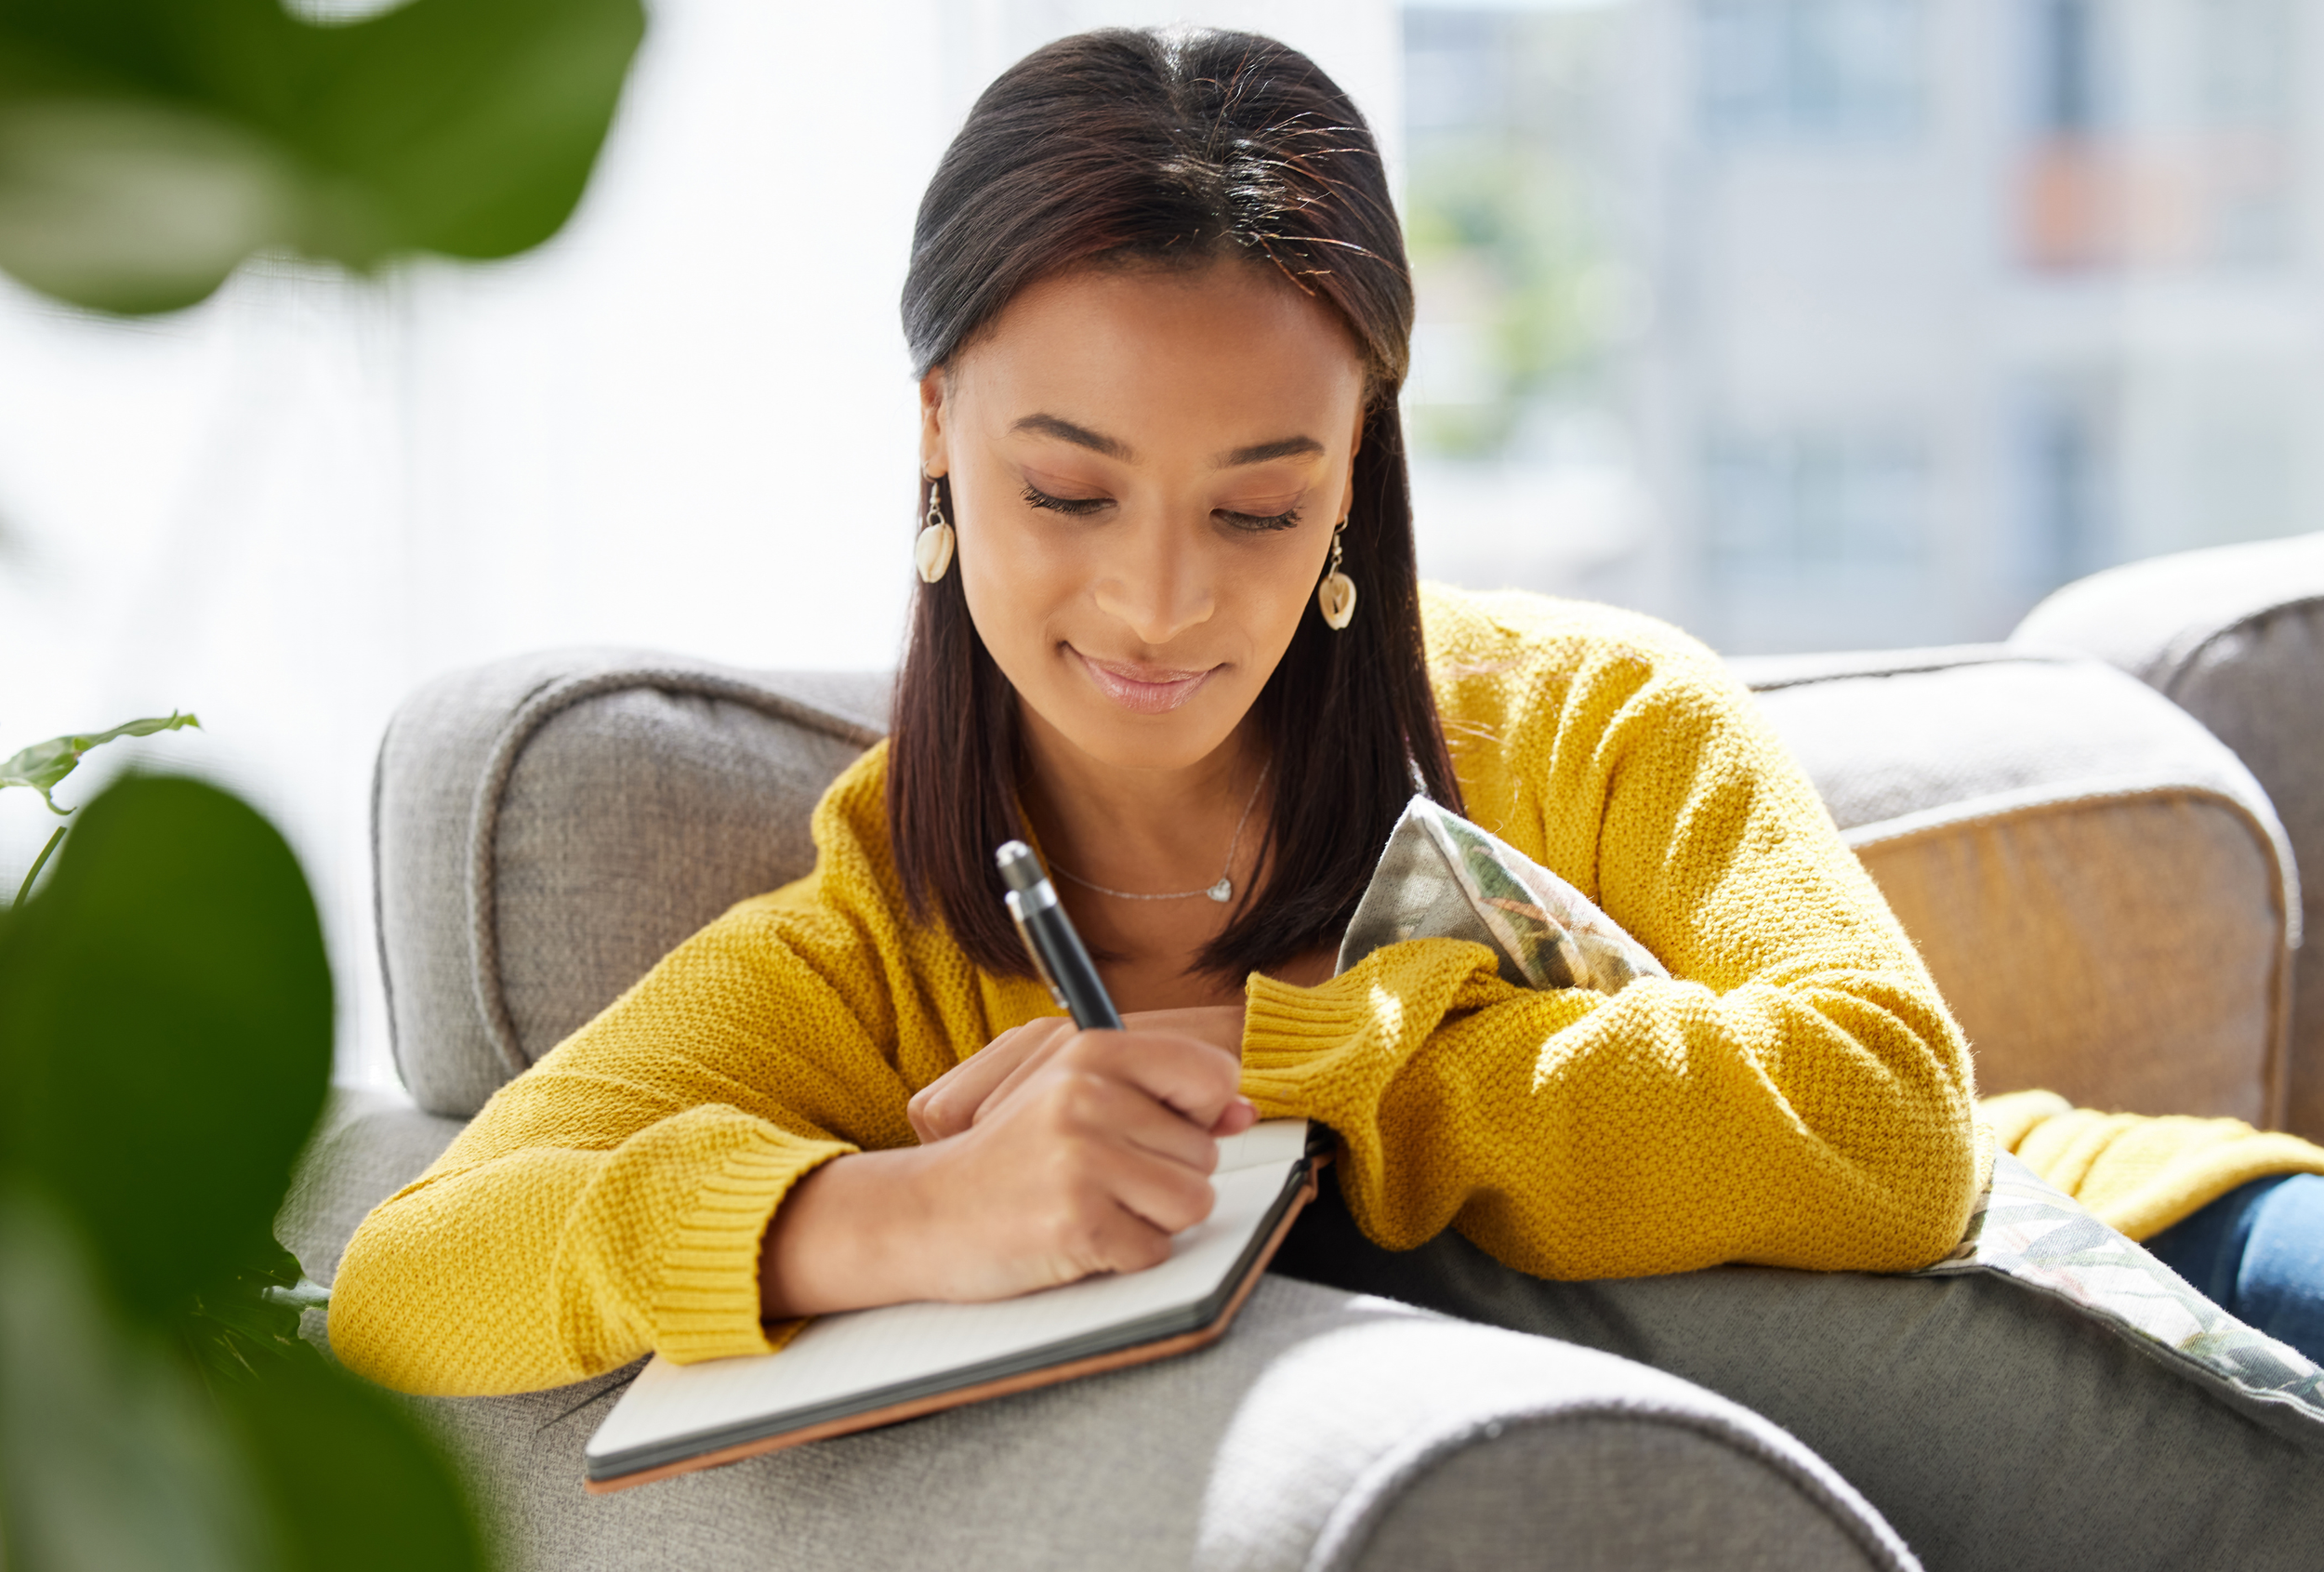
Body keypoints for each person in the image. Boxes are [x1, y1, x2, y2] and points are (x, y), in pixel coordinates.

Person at [331, 25, 2324, 1559]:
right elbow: (411, 1278)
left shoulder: (1586, 715)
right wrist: (893, 1213)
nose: (1159, 595)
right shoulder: (872, 961)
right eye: (1067, 488)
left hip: (2150, 1260)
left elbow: (1891, 1124)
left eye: (1259, 501)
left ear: (1357, 462)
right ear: (935, 434)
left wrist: (1278, 1079)